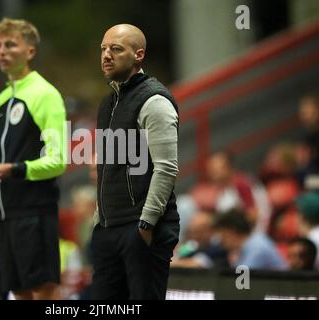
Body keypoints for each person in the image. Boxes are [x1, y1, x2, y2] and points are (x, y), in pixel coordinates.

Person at [0, 18, 67, 300]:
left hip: (35, 211)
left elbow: (58, 161)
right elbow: (4, 160)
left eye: (10, 44)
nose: (2, 51)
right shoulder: (1, 100)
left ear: (30, 51)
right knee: (18, 292)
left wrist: (15, 170)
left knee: (45, 289)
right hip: (5, 216)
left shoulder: (45, 95)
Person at [91, 24, 180, 300]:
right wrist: (99, 221)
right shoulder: (108, 103)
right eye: (104, 49)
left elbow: (166, 168)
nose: (107, 55)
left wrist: (146, 225)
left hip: (140, 229)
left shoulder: (154, 100)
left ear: (138, 55)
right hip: (109, 228)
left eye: (116, 49)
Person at [213, 209, 286, 270]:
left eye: (222, 235)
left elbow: (241, 281)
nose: (220, 241)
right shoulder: (247, 246)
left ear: (232, 232)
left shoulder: (257, 246)